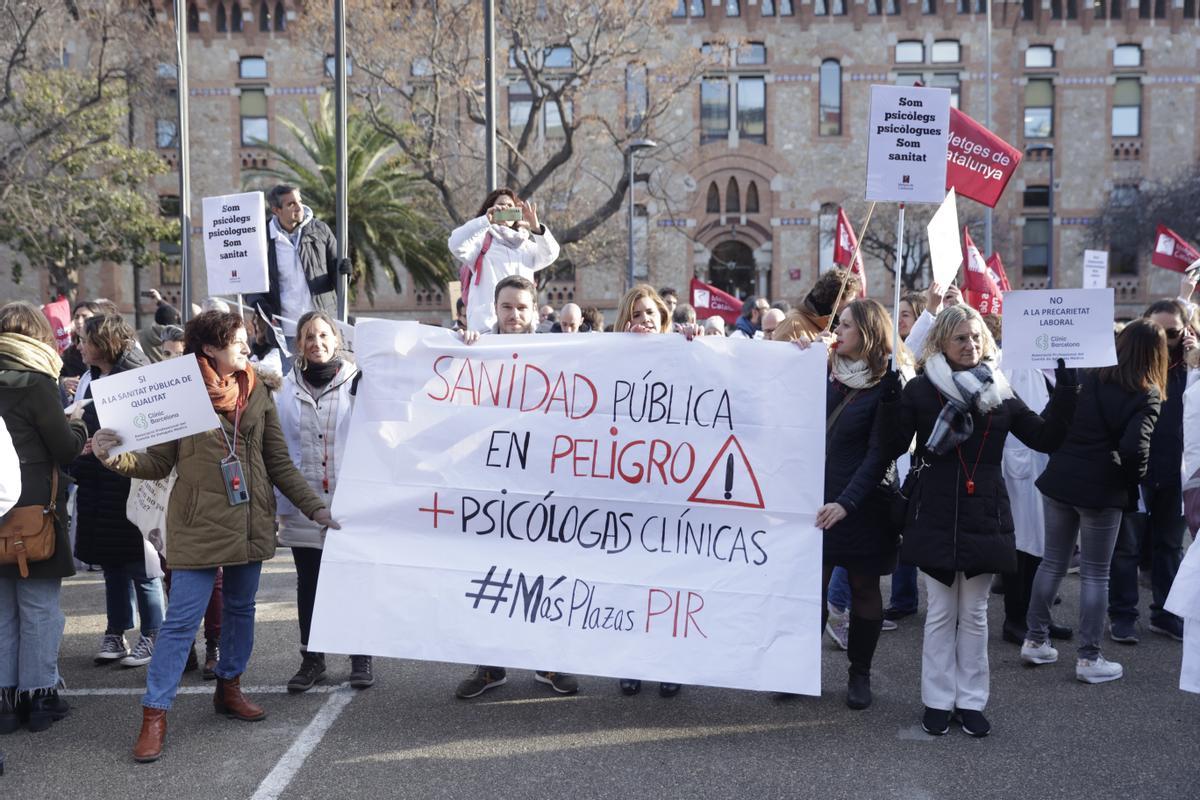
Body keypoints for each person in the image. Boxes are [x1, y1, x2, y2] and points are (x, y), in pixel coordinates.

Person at [90, 310, 337, 763]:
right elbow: (158, 463)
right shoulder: (179, 392)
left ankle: (230, 686)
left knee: (242, 609)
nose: (247, 349)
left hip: (250, 521)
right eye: (239, 343)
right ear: (209, 349)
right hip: (197, 523)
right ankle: (155, 713)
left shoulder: (257, 388)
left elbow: (279, 461)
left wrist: (315, 507)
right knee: (182, 620)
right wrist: (115, 457)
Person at [880, 304, 1077, 738]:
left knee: (974, 613)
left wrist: (1064, 397)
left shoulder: (1000, 389)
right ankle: (936, 700)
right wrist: (890, 400)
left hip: (985, 511)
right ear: (942, 344)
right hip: (933, 511)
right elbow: (893, 442)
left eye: (975, 338)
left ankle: (970, 701)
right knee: (939, 614)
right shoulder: (922, 391)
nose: (970, 346)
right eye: (960, 339)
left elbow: (1045, 437)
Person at [456, 276, 579, 699]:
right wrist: (461, 349)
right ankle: (490, 667)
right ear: (495, 308)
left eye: (522, 308)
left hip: (544, 485)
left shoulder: (558, 352)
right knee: (490, 576)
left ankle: (549, 664)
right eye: (507, 307)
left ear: (534, 310)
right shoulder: (476, 350)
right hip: (491, 489)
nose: (514, 316)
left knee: (544, 576)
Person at [1022, 319, 1165, 683]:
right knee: (1095, 574)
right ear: (1156, 354)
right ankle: (1088, 658)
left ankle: (1035, 639)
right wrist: (1131, 480)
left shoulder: (1086, 375)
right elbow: (1135, 448)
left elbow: (1055, 417)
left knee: (1052, 562)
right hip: (1102, 488)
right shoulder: (1145, 392)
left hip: (1061, 478)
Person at [803, 299, 901, 710]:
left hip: (862, 506)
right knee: (808, 592)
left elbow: (879, 455)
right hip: (815, 502)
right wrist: (809, 361)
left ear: (868, 333)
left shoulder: (887, 386)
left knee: (863, 588)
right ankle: (797, 670)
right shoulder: (825, 374)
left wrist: (846, 503)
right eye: (837, 325)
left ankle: (859, 674)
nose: (837, 332)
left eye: (845, 326)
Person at [0, 303, 88, 733]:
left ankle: (4, 702)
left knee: (2, 611)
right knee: (39, 608)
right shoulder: (36, 381)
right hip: (33, 506)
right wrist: (80, 426)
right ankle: (39, 699)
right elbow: (65, 448)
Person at [275, 311, 374, 692]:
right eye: (308, 337)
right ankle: (312, 658)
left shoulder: (358, 382)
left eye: (323, 335)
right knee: (310, 583)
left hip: (350, 499)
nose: (316, 343)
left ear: (336, 339)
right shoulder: (283, 388)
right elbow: (281, 446)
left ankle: (360, 654)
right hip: (304, 500)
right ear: (299, 344)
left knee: (352, 578)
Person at [611, 285, 698, 698]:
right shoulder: (605, 362)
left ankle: (671, 661)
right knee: (631, 580)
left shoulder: (684, 358)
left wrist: (695, 349)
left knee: (670, 581)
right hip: (625, 492)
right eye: (636, 314)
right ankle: (630, 662)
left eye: (651, 313)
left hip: (671, 491)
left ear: (664, 320)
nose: (644, 320)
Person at [71, 315, 164, 669]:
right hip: (99, 480)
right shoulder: (92, 378)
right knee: (111, 563)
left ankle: (153, 632)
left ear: (104, 341)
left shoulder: (135, 376)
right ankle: (117, 630)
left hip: (130, 481)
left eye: (85, 340)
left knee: (142, 563)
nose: (79, 346)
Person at [1108, 300, 1197, 643]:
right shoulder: (1129, 367)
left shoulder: (1190, 368)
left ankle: (1166, 613)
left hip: (1177, 471)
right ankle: (1122, 614)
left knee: (1169, 545)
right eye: (1157, 332)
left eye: (1172, 333)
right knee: (1127, 547)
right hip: (1135, 470)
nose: (1164, 341)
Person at [448, 187, 560, 332]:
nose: (505, 209)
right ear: (490, 209)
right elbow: (455, 243)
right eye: (500, 205)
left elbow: (550, 254)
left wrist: (536, 228)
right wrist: (484, 221)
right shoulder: (480, 242)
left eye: (509, 206)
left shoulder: (525, 244)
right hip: (487, 326)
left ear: (516, 213)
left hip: (522, 326)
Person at [248, 184, 349, 325]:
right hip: (284, 326)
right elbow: (249, 282)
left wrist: (344, 273)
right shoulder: (261, 238)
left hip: (322, 323)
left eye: (300, 201)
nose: (299, 207)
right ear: (276, 210)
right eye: (291, 204)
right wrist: (259, 304)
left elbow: (337, 273)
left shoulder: (321, 230)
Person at [772, 269, 861, 344]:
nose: (850, 306)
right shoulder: (792, 322)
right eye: (849, 301)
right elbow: (779, 360)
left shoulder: (834, 325)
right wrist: (814, 348)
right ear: (837, 298)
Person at [60, 300, 101, 397]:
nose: (79, 321)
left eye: (84, 316)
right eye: (76, 317)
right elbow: (56, 375)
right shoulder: (69, 352)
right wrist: (63, 381)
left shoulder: (109, 347)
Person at [137, 289, 182, 363]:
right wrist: (160, 301)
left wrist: (160, 301)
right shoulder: (179, 336)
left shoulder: (143, 335)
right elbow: (180, 316)